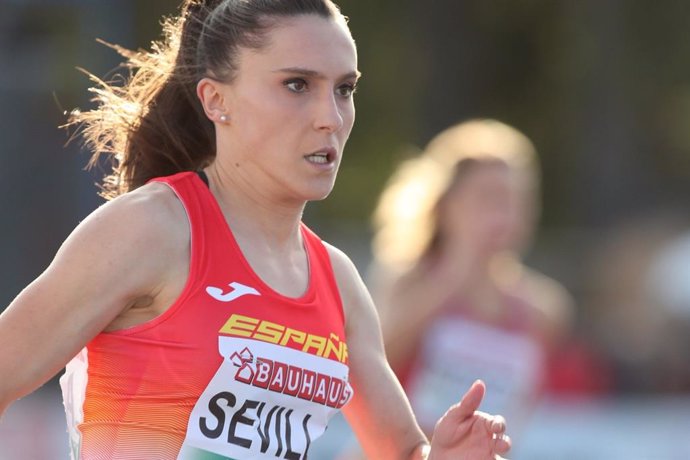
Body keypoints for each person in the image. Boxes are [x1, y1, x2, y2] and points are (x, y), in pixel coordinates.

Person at [0, 1, 510, 459]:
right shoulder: (153, 229)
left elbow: (401, 451)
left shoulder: (338, 280)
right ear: (216, 100)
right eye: (297, 85)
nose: (330, 118)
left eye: (345, 90)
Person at [369, 119, 574, 436]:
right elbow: (370, 365)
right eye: (488, 197)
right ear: (445, 204)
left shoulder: (542, 308)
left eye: (514, 201)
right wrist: (451, 277)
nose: (503, 215)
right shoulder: (406, 282)